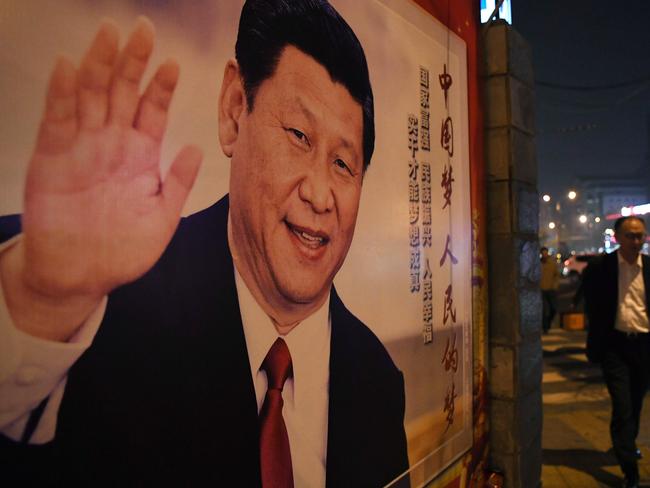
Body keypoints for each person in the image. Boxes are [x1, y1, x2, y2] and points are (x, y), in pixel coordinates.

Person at [0, 1, 410, 486]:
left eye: (343, 164)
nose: (319, 195)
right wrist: (42, 303)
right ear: (235, 109)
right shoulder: (102, 307)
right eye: (299, 135)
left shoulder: (377, 381)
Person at [583, 216, 650, 488]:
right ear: (618, 238)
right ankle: (630, 470)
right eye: (630, 236)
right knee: (622, 406)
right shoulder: (602, 267)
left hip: (644, 346)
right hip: (614, 346)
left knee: (635, 404)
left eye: (640, 236)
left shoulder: (649, 267)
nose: (636, 241)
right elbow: (592, 305)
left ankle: (625, 444)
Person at [540, 246, 559, 334]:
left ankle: (548, 323)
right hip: (541, 289)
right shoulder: (538, 264)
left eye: (545, 253)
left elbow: (556, 275)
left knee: (553, 308)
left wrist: (555, 285)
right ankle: (545, 328)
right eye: (543, 253)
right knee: (544, 310)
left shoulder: (552, 263)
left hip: (551, 289)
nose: (544, 255)